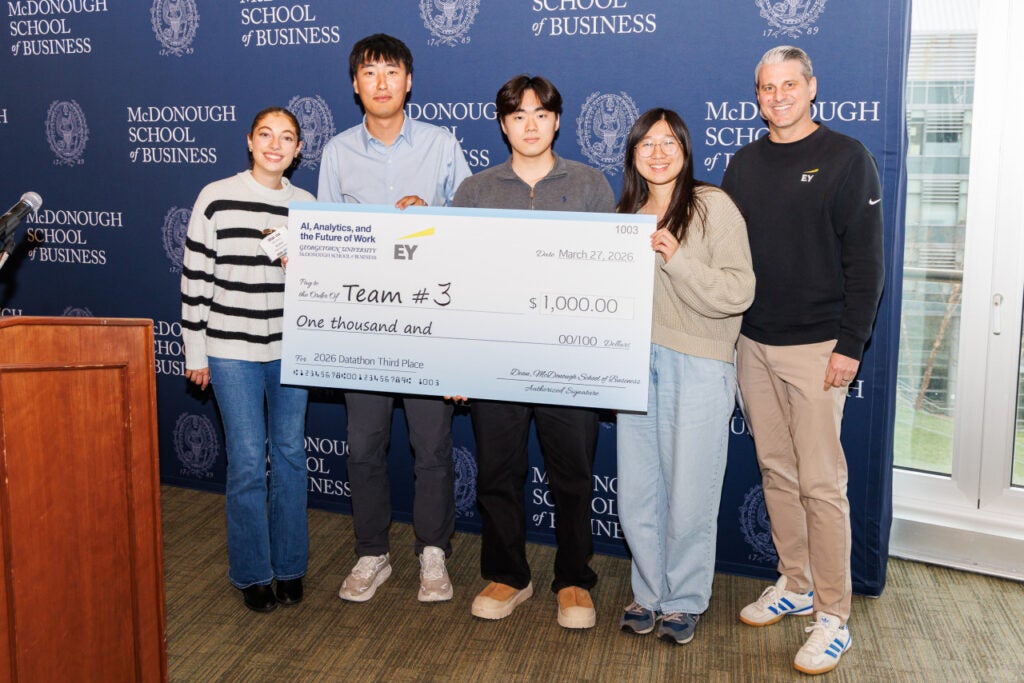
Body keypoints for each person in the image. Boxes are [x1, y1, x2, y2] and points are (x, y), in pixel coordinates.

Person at [721, 46, 884, 675]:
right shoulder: (743, 163)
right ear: (757, 95)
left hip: (819, 348)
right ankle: (796, 583)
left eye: (790, 84)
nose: (779, 96)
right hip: (753, 344)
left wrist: (851, 346)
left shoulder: (847, 158)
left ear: (812, 87)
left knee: (822, 484)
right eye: (768, 87)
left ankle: (834, 617)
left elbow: (866, 263)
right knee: (776, 471)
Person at [452, 75, 614, 629]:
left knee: (573, 475)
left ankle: (573, 579)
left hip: (570, 360)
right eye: (518, 116)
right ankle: (508, 575)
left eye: (541, 114)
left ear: (557, 121)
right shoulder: (474, 191)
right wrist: (458, 360)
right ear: (502, 124)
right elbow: (457, 282)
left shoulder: (591, 186)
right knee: (498, 472)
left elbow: (608, 282)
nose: (529, 125)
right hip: (495, 361)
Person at [317, 33, 472, 604]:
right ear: (355, 84)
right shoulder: (335, 152)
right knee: (364, 446)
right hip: (362, 326)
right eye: (370, 73)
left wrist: (433, 216)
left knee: (432, 446)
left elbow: (472, 224)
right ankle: (370, 553)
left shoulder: (440, 143)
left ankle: (434, 553)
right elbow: (327, 245)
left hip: (428, 320)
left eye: (391, 72)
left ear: (409, 81)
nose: (381, 83)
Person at [615, 109, 754, 644]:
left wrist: (677, 259)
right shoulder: (625, 212)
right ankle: (648, 592)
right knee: (639, 489)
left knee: (691, 490)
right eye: (646, 143)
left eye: (668, 142)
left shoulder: (711, 206)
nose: (657, 151)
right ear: (632, 154)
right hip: (633, 364)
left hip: (698, 363)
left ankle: (684, 600)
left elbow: (739, 292)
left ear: (685, 149)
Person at [181, 107, 313, 613]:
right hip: (230, 351)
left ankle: (290, 568)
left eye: (287, 138)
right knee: (245, 465)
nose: (275, 145)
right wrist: (196, 350)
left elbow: (317, 284)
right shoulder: (215, 197)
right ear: (250, 142)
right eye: (266, 135)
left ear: (299, 149)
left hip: (291, 350)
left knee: (290, 456)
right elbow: (196, 280)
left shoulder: (306, 205)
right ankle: (253, 572)